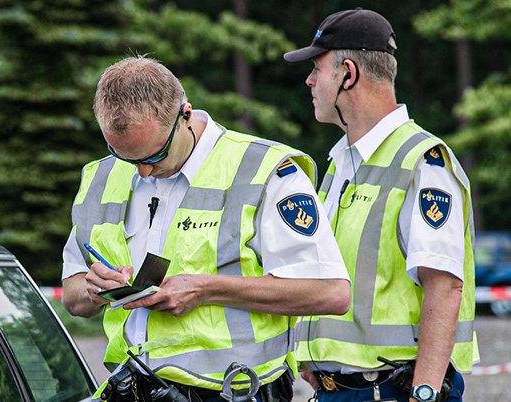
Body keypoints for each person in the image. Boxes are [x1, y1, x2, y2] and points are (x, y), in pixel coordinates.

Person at [61, 55, 350, 402]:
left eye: (154, 156)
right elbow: (74, 294)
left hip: (237, 391)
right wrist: (95, 290)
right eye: (126, 157)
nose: (143, 174)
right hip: (132, 388)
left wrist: (203, 289)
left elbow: (332, 293)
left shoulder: (264, 171)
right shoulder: (100, 177)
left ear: (186, 114)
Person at [283, 8, 479, 402]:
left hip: (392, 389)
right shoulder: (341, 164)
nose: (309, 80)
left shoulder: (422, 160)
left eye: (317, 68)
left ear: (348, 74)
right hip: (341, 390)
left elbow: (445, 285)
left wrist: (424, 391)